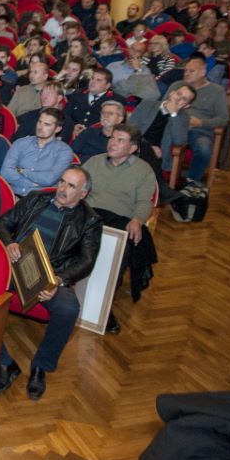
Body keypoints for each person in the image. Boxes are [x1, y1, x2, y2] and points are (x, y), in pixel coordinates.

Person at [0, 166, 102, 400]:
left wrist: (58, 281)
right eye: (62, 181)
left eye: (71, 186)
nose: (62, 188)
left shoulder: (90, 220)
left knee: (68, 308)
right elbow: (2, 223)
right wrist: (9, 242)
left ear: (83, 193)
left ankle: (41, 366)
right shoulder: (36, 198)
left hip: (51, 275)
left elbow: (87, 261)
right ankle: (5, 363)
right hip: (14, 266)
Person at [84, 124, 158, 321]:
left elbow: (144, 202)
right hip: (90, 215)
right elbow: (79, 187)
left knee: (123, 246)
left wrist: (138, 220)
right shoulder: (94, 161)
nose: (113, 143)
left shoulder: (143, 170)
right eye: (112, 138)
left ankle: (102, 307)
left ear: (132, 148)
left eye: (120, 140)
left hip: (119, 221)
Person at [161, 54, 230, 184]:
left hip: (199, 130)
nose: (186, 74)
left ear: (203, 72)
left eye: (191, 71)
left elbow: (223, 119)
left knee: (204, 149)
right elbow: (163, 105)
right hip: (173, 125)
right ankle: (163, 175)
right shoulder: (177, 85)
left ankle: (193, 182)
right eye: (186, 70)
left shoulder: (217, 91)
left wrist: (200, 123)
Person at [2, 107, 74, 196]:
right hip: (13, 195)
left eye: (47, 124)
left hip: (40, 199)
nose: (40, 127)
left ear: (57, 129)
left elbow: (49, 179)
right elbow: (6, 172)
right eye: (40, 122)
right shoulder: (20, 143)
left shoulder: (64, 152)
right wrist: (30, 184)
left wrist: (23, 171)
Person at [64, 68, 126, 138]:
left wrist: (89, 131)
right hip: (72, 132)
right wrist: (74, 126)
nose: (93, 82)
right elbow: (66, 114)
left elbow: (115, 124)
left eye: (98, 80)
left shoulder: (117, 100)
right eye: (92, 78)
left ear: (107, 85)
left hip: (97, 137)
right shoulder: (78, 93)